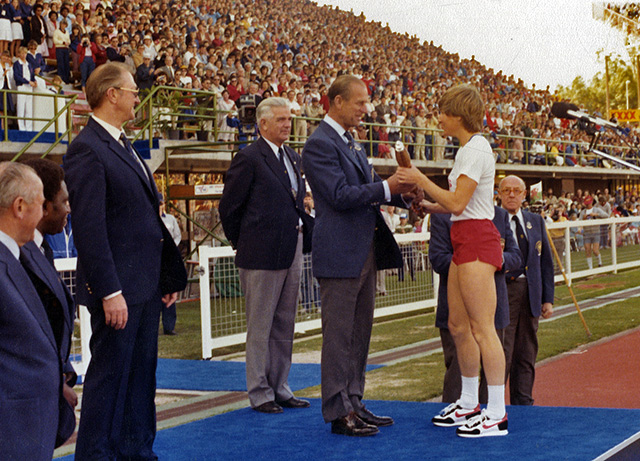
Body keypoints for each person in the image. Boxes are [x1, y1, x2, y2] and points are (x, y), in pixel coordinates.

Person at [63, 62, 187, 460]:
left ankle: (137, 452)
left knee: (140, 379)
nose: (138, 96)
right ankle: (96, 455)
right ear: (111, 94)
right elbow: (90, 228)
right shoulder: (87, 148)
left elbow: (143, 220)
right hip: (119, 291)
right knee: (110, 380)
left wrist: (163, 279)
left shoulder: (123, 144)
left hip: (145, 287)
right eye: (133, 89)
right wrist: (109, 290)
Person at [302, 75, 414, 437]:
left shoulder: (349, 142)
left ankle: (354, 400)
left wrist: (403, 196)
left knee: (360, 333)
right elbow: (339, 195)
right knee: (338, 336)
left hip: (362, 250)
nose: (366, 110)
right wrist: (387, 187)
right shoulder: (319, 144)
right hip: (340, 253)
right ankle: (338, 410)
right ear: (335, 102)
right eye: (360, 103)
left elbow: (365, 189)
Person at [397, 84, 508, 437]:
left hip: (476, 238)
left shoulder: (475, 150)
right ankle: (468, 400)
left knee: (482, 329)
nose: (439, 118)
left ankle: (497, 411)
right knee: (458, 327)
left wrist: (419, 179)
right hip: (464, 235)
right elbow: (458, 204)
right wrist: (431, 205)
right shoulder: (466, 150)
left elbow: (459, 203)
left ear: (458, 115)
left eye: (443, 112)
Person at [219, 97, 313, 414]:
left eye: (289, 119)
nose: (288, 124)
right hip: (260, 253)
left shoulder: (293, 158)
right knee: (260, 325)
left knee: (285, 323)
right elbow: (229, 208)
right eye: (282, 119)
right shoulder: (248, 158)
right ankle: (260, 392)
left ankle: (280, 386)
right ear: (263, 124)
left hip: (292, 248)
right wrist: (242, 241)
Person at [429, 206, 520, 404]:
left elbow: (515, 255)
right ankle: (459, 411)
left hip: (493, 306)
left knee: (493, 373)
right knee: (457, 372)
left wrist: (493, 260)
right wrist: (475, 262)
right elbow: (438, 259)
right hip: (457, 306)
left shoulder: (499, 214)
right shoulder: (443, 216)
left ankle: (493, 411)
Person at [0, 161, 60, 459]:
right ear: (20, 207)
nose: (44, 211)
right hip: (13, 428)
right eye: (41, 203)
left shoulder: (18, 256)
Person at [20, 157, 78, 448]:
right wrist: (57, 383)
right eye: (63, 201)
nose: (68, 208)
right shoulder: (19, 257)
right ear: (42, 205)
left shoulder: (40, 250)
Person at [498, 175, 554, 406]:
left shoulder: (535, 221)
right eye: (507, 190)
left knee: (527, 351)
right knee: (502, 351)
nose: (512, 194)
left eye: (516, 190)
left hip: (530, 293)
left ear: (524, 195)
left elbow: (545, 263)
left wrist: (547, 299)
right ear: (499, 194)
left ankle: (523, 400)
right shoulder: (491, 220)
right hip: (503, 292)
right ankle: (492, 404)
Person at [159, 194, 181, 335]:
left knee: (170, 290)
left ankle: (169, 326)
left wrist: (172, 247)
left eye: (161, 203)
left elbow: (177, 235)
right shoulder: (149, 218)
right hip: (155, 258)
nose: (160, 206)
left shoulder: (171, 219)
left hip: (168, 258)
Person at [12, 45, 36, 131]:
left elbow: (32, 75)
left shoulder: (28, 64)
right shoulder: (17, 64)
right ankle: (21, 127)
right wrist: (27, 81)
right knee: (21, 107)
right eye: (22, 53)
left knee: (29, 108)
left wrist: (34, 81)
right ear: (19, 54)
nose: (23, 55)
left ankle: (28, 128)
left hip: (29, 87)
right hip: (22, 86)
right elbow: (17, 76)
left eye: (25, 53)